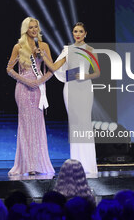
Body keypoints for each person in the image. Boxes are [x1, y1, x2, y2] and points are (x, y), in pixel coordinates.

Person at [37, 22, 99, 175]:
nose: (77, 34)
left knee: (84, 123)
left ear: (85, 33)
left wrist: (86, 75)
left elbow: (97, 72)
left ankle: (89, 165)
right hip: (71, 89)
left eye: (80, 31)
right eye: (75, 31)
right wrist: (44, 56)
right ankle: (76, 164)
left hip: (84, 88)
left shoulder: (91, 50)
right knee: (75, 124)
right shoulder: (68, 50)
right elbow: (54, 67)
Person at [6, 17, 55, 176]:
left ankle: (38, 164)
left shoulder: (44, 46)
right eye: (31, 27)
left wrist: (40, 80)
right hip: (23, 89)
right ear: (25, 29)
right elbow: (9, 69)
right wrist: (26, 81)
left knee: (38, 126)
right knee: (26, 127)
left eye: (36, 27)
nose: (34, 30)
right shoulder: (18, 46)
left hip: (38, 88)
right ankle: (26, 165)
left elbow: (52, 69)